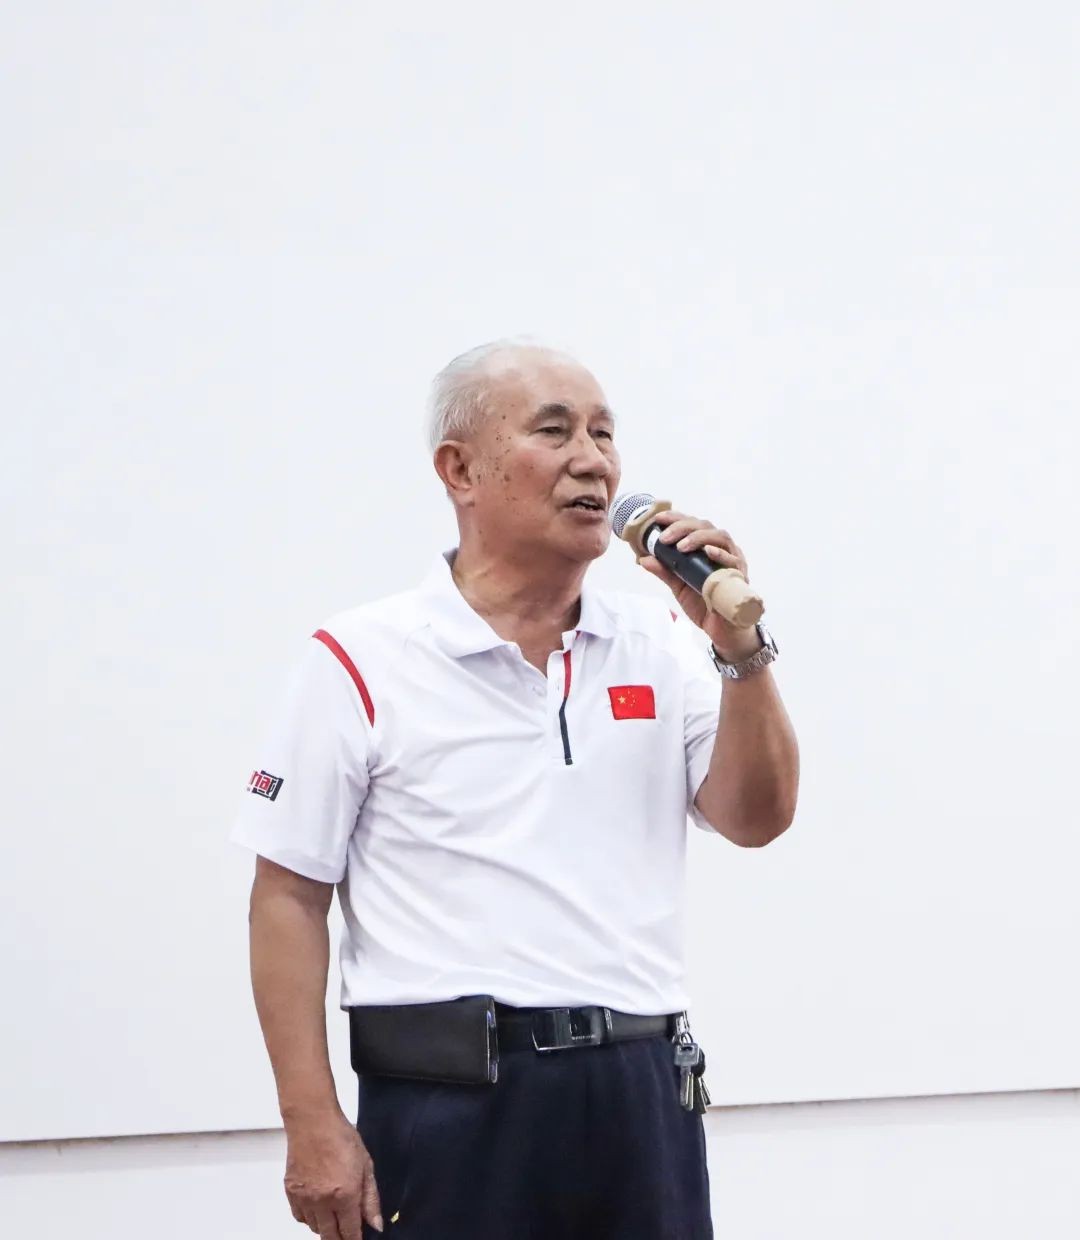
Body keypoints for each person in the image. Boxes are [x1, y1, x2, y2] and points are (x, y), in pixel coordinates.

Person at [230, 339, 800, 1239]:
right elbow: (287, 899)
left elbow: (757, 818)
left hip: (639, 1092)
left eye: (605, 433)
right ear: (459, 470)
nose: (593, 460)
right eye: (555, 430)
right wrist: (311, 1121)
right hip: (452, 1105)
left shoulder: (659, 643)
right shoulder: (361, 657)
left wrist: (739, 651)